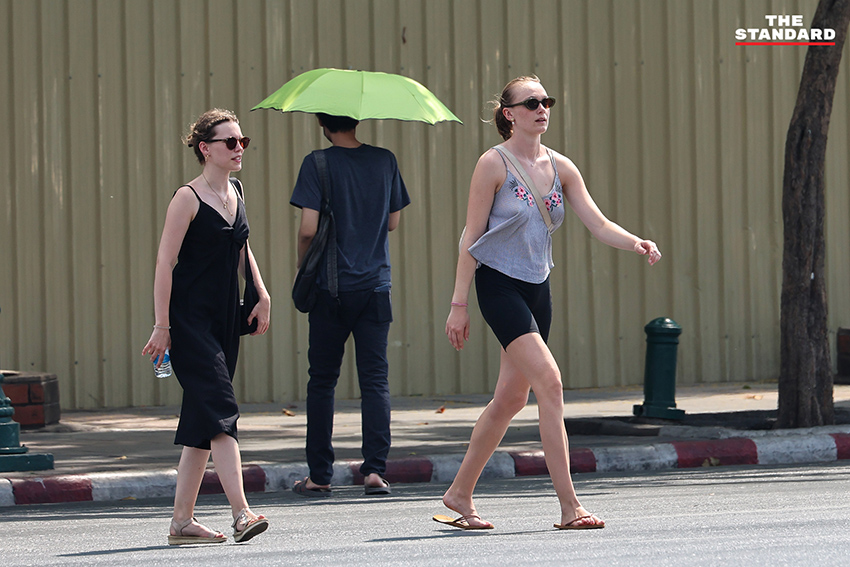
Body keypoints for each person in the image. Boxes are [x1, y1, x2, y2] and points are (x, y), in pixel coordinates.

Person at [436, 76, 662, 531]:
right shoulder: (492, 164)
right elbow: (470, 238)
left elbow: (597, 222)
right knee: (550, 383)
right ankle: (570, 506)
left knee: (510, 398)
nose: (542, 109)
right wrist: (458, 303)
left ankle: (459, 494)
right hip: (498, 287)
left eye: (546, 101)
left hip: (537, 287)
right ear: (510, 114)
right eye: (531, 102)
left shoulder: (561, 167)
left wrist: (635, 241)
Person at [142, 108, 272, 544]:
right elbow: (165, 262)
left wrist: (261, 292)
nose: (239, 149)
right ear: (205, 148)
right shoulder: (187, 198)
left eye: (242, 141)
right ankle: (242, 513)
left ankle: (181, 522)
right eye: (230, 142)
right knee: (221, 412)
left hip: (224, 316)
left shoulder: (235, 190)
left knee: (202, 420)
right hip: (189, 320)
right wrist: (163, 325)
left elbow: (242, 247)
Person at [289, 113, 410, 497]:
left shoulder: (317, 163)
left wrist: (302, 263)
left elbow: (308, 228)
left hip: (331, 288)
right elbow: (392, 223)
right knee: (375, 379)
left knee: (322, 381)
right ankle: (375, 471)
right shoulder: (385, 160)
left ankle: (319, 474)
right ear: (357, 119)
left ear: (323, 123)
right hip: (375, 287)